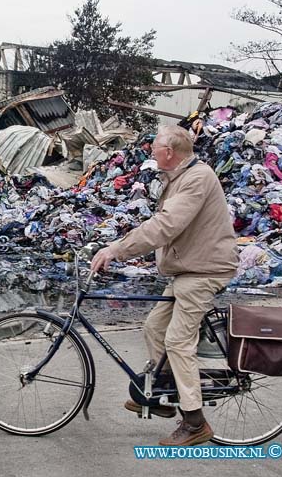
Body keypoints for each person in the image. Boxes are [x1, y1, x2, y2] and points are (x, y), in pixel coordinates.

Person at [90, 125, 238, 447]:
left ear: (169, 152)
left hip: (204, 271)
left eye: (155, 147)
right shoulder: (178, 178)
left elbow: (166, 225)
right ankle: (163, 394)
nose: (150, 152)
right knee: (155, 327)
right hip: (188, 270)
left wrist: (116, 249)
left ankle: (195, 422)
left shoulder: (196, 179)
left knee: (178, 340)